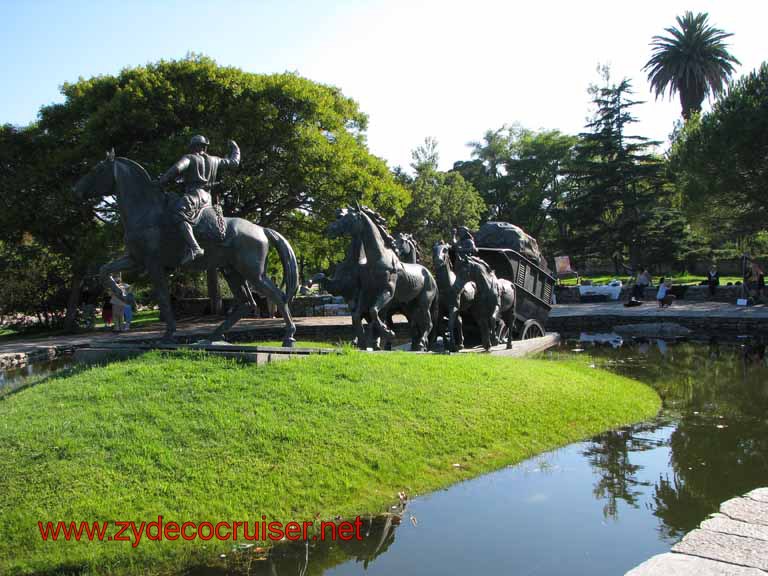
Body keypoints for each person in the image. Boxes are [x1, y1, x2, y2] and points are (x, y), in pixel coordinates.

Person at [157, 135, 240, 265]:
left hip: (194, 194)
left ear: (194, 147)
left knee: (178, 214)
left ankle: (195, 247)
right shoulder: (215, 160)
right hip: (207, 197)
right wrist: (235, 148)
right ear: (205, 147)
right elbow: (234, 162)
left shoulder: (189, 158)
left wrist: (161, 181)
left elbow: (176, 169)